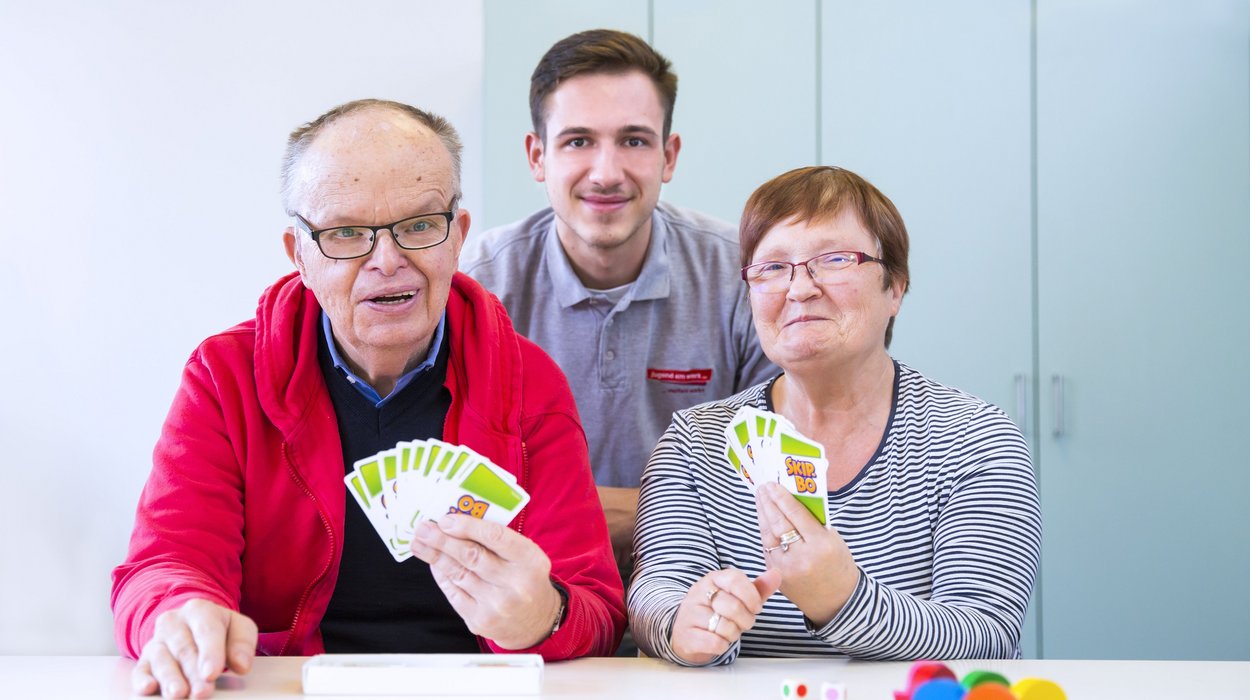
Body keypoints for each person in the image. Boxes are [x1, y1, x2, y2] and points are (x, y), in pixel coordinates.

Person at [112, 99, 625, 698]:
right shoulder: (225, 377)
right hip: (290, 685)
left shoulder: (528, 381)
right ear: (298, 254)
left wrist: (546, 616)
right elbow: (163, 564)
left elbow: (595, 609)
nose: (388, 261)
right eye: (346, 233)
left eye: (418, 225)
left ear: (458, 237)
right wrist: (180, 614)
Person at [628, 166, 1041, 665]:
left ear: (895, 288)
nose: (799, 288)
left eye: (835, 259)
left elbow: (987, 630)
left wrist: (842, 599)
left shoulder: (974, 438)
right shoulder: (697, 441)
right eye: (773, 268)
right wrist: (684, 625)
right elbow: (657, 594)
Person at [460, 29, 776, 574]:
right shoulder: (479, 287)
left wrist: (574, 508)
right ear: (537, 156)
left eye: (633, 140)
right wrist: (674, 507)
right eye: (578, 141)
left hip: (708, 597)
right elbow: (456, 493)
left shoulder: (745, 277)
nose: (606, 173)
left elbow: (780, 495)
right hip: (530, 595)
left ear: (668, 155)